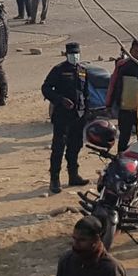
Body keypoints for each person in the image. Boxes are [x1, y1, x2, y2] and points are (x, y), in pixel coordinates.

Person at [42, 41, 91, 193]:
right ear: (66, 54)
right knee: (58, 147)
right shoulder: (59, 70)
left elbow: (86, 93)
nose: (74, 56)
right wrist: (60, 100)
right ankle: (55, 179)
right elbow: (46, 88)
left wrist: (87, 111)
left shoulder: (83, 70)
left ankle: (73, 175)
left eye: (76, 53)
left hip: (79, 116)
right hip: (62, 116)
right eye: (72, 54)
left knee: (75, 146)